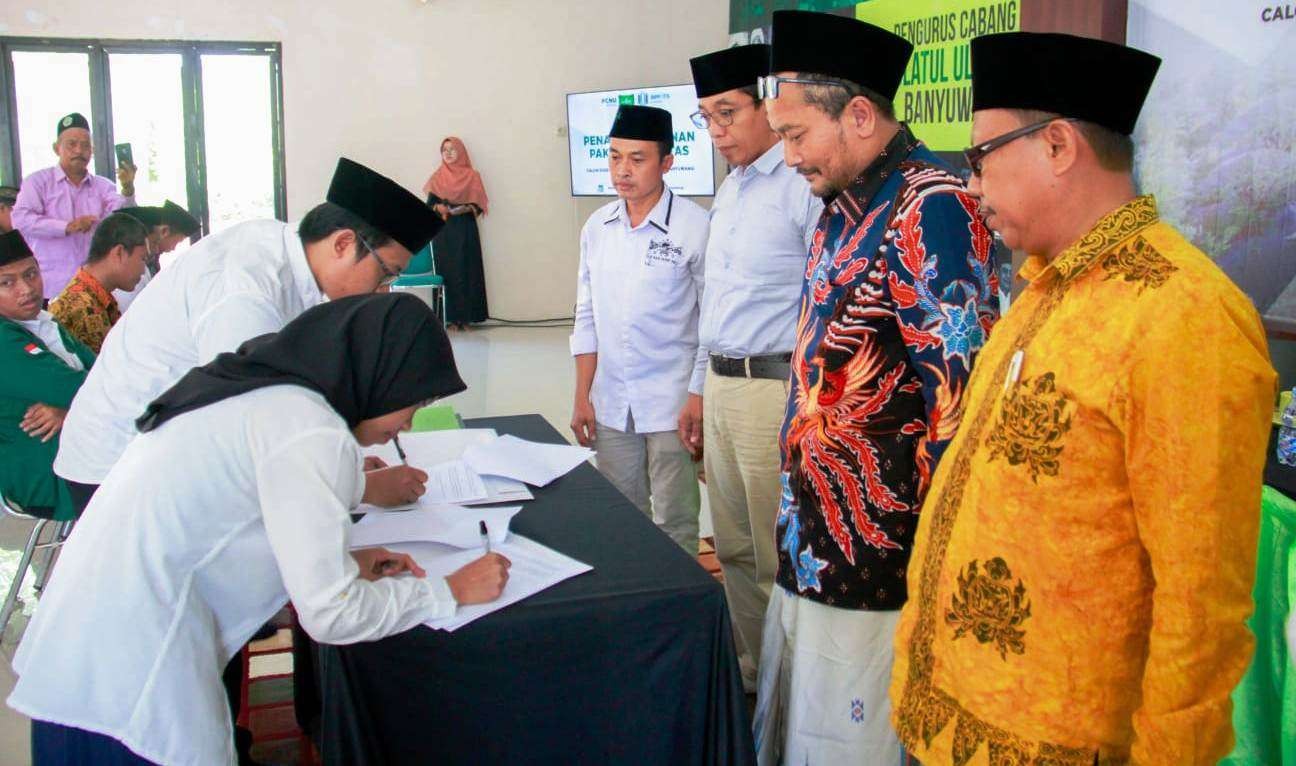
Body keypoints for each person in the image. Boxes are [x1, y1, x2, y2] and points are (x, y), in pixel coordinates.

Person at [890, 32, 1276, 766]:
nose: (972, 186)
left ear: (1058, 146)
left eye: (980, 159)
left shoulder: (1184, 316)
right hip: (949, 723)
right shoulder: (1045, 286)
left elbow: (1201, 607)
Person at [8, 293, 513, 765]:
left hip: (79, 654)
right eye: (413, 403)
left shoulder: (264, 390)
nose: (405, 425)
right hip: (131, 681)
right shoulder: (311, 429)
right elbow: (331, 617)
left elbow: (227, 516)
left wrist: (344, 562)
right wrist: (448, 590)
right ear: (383, 375)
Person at [752, 12, 999, 764]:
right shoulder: (841, 205)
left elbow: (958, 404)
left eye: (797, 135)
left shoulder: (933, 207)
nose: (787, 154)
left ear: (859, 115)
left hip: (878, 560)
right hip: (814, 537)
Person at [53, 157, 442, 515]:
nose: (383, 291)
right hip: (117, 465)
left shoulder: (288, 258)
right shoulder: (246, 290)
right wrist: (359, 487)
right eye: (385, 273)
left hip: (167, 447)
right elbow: (248, 434)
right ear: (342, 243)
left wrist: (340, 461)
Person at [687, 42, 823, 693]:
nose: (716, 133)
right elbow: (714, 302)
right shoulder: (733, 191)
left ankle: (791, 689)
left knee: (776, 553)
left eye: (727, 114)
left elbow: (822, 308)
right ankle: (751, 671)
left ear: (769, 108)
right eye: (706, 120)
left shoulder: (802, 189)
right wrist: (698, 390)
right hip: (721, 384)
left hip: (775, 392)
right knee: (734, 548)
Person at [569, 104, 709, 554]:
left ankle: (681, 613)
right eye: (614, 157)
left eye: (637, 158)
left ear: (667, 163)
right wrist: (581, 395)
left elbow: (711, 322)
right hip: (612, 403)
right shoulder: (598, 228)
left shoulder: (695, 226)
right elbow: (586, 315)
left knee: (676, 521)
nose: (622, 170)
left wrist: (697, 395)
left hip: (672, 403)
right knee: (621, 517)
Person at [0, 230, 95, 522]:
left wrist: (69, 411)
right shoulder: (4, 340)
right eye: (7, 283)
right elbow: (97, 385)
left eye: (31, 274)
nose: (26, 289)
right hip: (49, 476)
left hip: (80, 451)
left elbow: (103, 374)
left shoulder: (43, 321)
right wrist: (78, 402)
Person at [12, 113, 137, 298]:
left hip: (94, 287)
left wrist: (127, 187)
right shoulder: (38, 182)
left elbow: (123, 218)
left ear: (92, 151)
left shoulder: (103, 186)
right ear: (57, 148)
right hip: (51, 288)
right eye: (72, 144)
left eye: (86, 146)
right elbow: (20, 220)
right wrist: (67, 227)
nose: (79, 150)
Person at [48, 213, 150, 353]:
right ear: (119, 253)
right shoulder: (83, 307)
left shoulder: (93, 296)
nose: (143, 270)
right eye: (143, 258)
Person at [423, 137, 489, 330]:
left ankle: (468, 318)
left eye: (453, 149)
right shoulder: (437, 177)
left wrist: (467, 207)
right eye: (445, 150)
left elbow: (479, 206)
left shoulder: (472, 176)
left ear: (461, 151)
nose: (449, 153)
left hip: (465, 228)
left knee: (467, 271)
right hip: (444, 232)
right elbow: (429, 206)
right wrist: (439, 207)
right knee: (447, 272)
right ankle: (449, 319)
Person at [113, 200, 201, 311]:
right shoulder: (132, 270)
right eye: (177, 242)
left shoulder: (149, 264)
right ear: (164, 231)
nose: (173, 248)